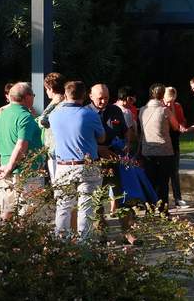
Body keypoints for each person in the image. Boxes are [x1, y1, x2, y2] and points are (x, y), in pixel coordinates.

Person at [49, 81, 105, 237]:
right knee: (86, 208)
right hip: (86, 166)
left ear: (66, 94)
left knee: (63, 208)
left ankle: (61, 244)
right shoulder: (90, 115)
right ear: (84, 95)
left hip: (62, 166)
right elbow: (101, 138)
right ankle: (84, 245)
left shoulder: (54, 115)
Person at [0, 82, 45, 220]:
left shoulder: (1, 115)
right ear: (26, 97)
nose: (34, 98)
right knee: (27, 212)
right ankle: (24, 240)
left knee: (6, 211)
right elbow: (21, 145)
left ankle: (4, 239)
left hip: (4, 169)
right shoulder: (26, 117)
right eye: (33, 95)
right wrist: (10, 167)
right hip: (27, 170)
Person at [90, 83, 129, 226]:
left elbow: (124, 130)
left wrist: (127, 143)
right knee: (97, 197)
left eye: (106, 98)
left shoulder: (115, 110)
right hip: (95, 160)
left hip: (115, 158)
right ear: (91, 96)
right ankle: (100, 231)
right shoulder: (86, 113)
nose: (103, 101)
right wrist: (99, 148)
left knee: (121, 195)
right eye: (100, 98)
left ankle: (127, 229)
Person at [139, 84, 175, 209]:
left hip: (147, 150)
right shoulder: (165, 111)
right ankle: (163, 210)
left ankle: (149, 209)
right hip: (164, 151)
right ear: (163, 95)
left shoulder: (142, 110)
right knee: (163, 182)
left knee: (149, 181)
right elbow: (175, 126)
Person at [37, 72, 66, 184]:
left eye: (46, 89)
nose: (46, 92)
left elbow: (42, 121)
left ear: (51, 88)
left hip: (55, 151)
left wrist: (54, 101)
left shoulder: (57, 104)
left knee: (58, 185)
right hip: (65, 151)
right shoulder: (68, 102)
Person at [163, 86, 189, 208]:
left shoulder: (177, 106)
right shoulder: (160, 107)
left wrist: (182, 126)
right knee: (163, 172)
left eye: (172, 100)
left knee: (175, 170)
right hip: (163, 141)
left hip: (174, 139)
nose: (169, 103)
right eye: (168, 101)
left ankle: (178, 198)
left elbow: (182, 120)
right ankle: (162, 200)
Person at [115, 86, 139, 155]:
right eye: (133, 100)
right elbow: (129, 132)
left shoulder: (110, 108)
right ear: (128, 99)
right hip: (122, 146)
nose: (133, 104)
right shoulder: (127, 112)